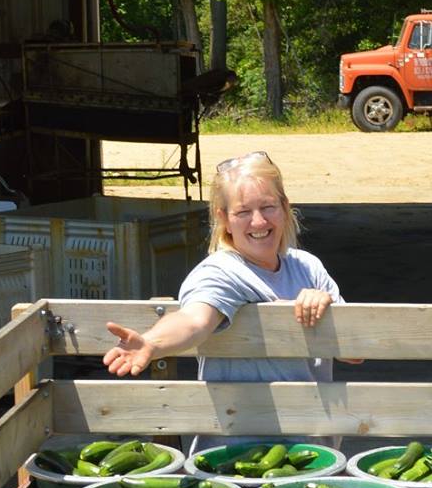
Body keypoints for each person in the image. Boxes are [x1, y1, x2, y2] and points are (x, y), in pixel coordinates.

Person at [102, 151, 345, 388]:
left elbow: (353, 353)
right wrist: (151, 344)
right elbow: (194, 320)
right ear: (224, 219)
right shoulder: (221, 272)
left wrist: (328, 308)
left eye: (268, 207)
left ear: (284, 207)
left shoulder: (308, 267)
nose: (259, 221)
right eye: (243, 212)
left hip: (309, 425)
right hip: (242, 426)